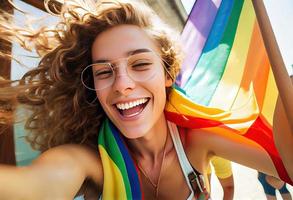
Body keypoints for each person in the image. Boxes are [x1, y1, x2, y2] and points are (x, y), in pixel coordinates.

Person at [0, 0, 292, 199]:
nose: (123, 85)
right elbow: (34, 186)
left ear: (167, 74)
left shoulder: (198, 139)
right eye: (104, 71)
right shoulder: (90, 160)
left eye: (140, 64)